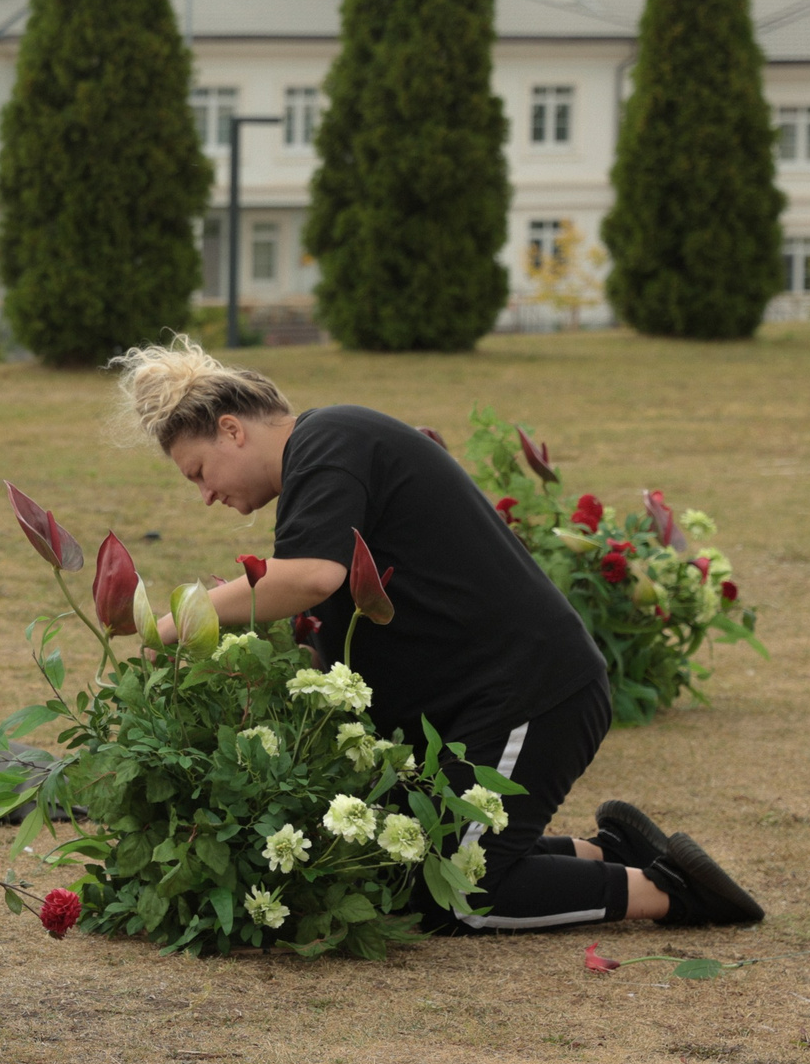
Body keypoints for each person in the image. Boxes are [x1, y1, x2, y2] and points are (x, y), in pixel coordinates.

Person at [110, 335, 762, 933]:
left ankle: (669, 889)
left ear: (231, 430)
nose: (204, 495)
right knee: (409, 861)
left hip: (530, 695)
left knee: (460, 894)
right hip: (487, 702)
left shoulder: (328, 442)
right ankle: (604, 849)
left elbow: (310, 576)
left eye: (199, 472)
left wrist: (176, 620)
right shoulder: (324, 458)